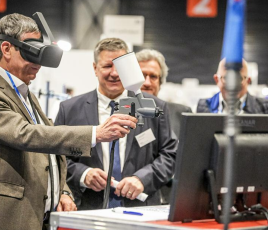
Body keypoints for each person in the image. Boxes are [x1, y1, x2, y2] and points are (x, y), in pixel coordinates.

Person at [0, 14, 137, 230]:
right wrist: (95, 134)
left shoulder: (26, 94)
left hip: (41, 216)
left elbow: (47, 155)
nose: (38, 63)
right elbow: (25, 134)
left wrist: (61, 190)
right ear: (6, 49)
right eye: (31, 52)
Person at [55, 38, 177, 210]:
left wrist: (142, 179)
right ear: (95, 68)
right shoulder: (70, 110)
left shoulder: (153, 106)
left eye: (120, 67)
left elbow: (170, 154)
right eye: (107, 66)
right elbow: (56, 157)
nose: (114, 73)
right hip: (88, 208)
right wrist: (83, 174)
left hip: (141, 209)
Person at [136, 49, 192, 139]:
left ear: (160, 82)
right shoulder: (120, 112)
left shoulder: (181, 114)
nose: (147, 83)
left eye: (153, 76)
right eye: (142, 75)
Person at [197, 58, 268, 114]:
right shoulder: (203, 106)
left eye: (239, 78)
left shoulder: (264, 107)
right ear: (217, 80)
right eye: (226, 78)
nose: (233, 85)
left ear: (248, 81)